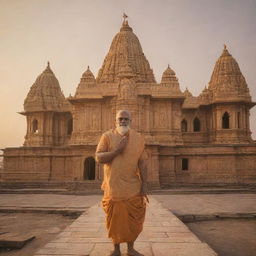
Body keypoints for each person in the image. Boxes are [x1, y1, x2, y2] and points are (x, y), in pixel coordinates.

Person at [95, 110, 148, 256]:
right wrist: (117, 151)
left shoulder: (138, 138)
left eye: (126, 119)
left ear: (131, 121)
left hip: (133, 187)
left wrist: (144, 184)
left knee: (133, 222)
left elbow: (143, 163)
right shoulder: (107, 136)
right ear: (115, 121)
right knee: (115, 221)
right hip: (113, 187)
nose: (123, 121)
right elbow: (99, 158)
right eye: (120, 119)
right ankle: (116, 249)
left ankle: (131, 249)